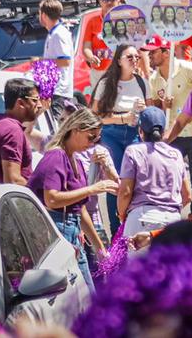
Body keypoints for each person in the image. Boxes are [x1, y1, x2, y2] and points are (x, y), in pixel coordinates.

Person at [27, 108, 113, 291]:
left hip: (71, 231)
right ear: (75, 130)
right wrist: (92, 189)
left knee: (87, 293)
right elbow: (52, 199)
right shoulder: (56, 156)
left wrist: (100, 249)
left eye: (97, 139)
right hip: (57, 230)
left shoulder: (76, 161)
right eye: (91, 137)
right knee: (79, 294)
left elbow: (79, 210)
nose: (93, 143)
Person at [146, 36, 192, 212]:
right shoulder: (153, 79)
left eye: (153, 52)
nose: (149, 56)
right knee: (171, 175)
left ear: (166, 52)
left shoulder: (188, 69)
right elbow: (155, 107)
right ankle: (170, 211)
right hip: (172, 134)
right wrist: (162, 105)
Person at [92, 43, 147, 231]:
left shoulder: (141, 82)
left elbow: (150, 110)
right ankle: (116, 230)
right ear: (119, 61)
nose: (134, 61)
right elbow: (96, 115)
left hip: (134, 133)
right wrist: (123, 117)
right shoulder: (107, 83)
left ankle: (133, 225)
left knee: (134, 180)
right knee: (116, 181)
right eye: (129, 57)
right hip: (111, 134)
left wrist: (145, 110)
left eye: (136, 57)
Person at [118, 107, 190, 238]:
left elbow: (125, 193)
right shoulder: (176, 155)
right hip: (173, 221)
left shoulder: (133, 151)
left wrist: (122, 214)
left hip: (142, 219)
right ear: (163, 132)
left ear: (140, 131)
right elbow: (187, 195)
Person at [0, 77, 40, 185]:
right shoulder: (12, 130)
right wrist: (39, 191)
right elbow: (12, 180)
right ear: (20, 103)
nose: (39, 105)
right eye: (35, 100)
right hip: (11, 201)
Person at [38, 0, 75, 112]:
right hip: (53, 90)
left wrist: (40, 63)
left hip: (59, 91)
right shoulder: (53, 33)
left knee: (57, 126)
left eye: (39, 13)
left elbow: (65, 61)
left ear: (44, 15)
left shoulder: (58, 34)